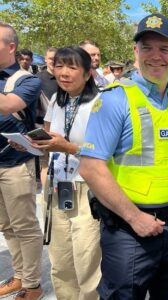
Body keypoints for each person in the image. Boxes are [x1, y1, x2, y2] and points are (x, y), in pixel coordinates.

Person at [79, 13, 168, 299]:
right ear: (135, 52)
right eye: (147, 48)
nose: (156, 56)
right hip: (130, 231)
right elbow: (91, 168)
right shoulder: (114, 99)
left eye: (164, 49)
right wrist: (135, 217)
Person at [20, 46, 101, 300]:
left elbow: (102, 151)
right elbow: (48, 138)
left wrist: (67, 146)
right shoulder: (57, 99)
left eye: (72, 67)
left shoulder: (101, 103)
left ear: (88, 74)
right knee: (60, 258)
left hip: (87, 187)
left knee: (87, 258)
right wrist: (30, 143)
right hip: (57, 185)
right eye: (59, 66)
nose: (64, 73)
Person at [0, 22, 43, 300]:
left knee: (25, 226)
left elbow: (8, 105)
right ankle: (19, 276)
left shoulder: (26, 80)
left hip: (16, 163)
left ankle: (33, 284)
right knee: (6, 226)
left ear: (11, 46)